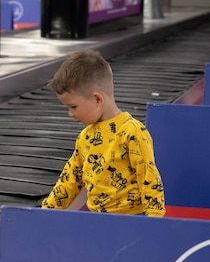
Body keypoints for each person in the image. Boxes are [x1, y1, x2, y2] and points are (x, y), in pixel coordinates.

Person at [41, 49, 166, 217]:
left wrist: (154, 219)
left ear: (97, 99)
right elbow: (69, 179)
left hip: (132, 221)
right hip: (97, 221)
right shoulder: (85, 137)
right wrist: (44, 213)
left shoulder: (132, 132)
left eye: (73, 107)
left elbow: (149, 178)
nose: (70, 114)